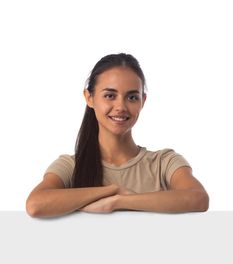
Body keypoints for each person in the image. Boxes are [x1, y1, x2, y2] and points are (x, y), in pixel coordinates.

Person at [26, 53, 209, 218]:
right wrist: (113, 190)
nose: (121, 107)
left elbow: (198, 198)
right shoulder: (70, 166)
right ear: (89, 98)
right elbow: (35, 204)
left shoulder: (163, 162)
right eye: (110, 96)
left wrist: (119, 201)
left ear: (143, 101)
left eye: (132, 97)